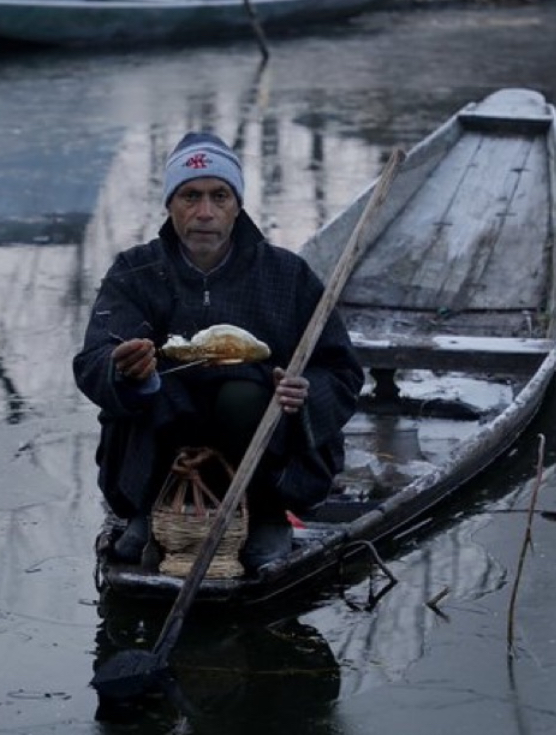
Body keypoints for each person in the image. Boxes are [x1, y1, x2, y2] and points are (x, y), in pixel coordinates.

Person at [73, 132, 363, 572]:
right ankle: (151, 512)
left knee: (244, 397)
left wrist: (304, 393)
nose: (205, 212)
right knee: (151, 392)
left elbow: (341, 371)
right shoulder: (135, 272)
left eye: (219, 196)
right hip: (166, 434)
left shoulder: (287, 275)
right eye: (190, 196)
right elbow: (93, 359)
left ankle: (267, 514)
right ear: (170, 204)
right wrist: (125, 371)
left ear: (237, 205)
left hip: (258, 438)